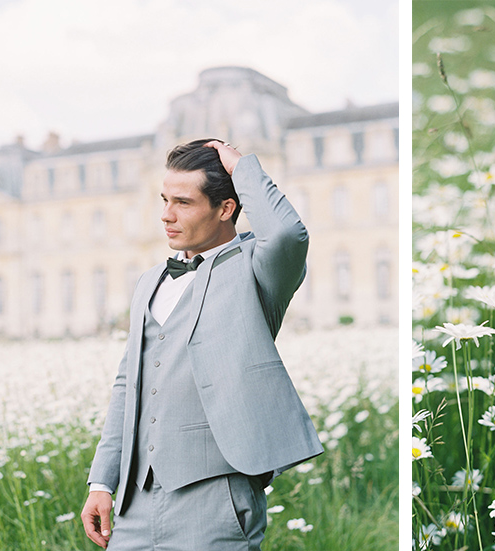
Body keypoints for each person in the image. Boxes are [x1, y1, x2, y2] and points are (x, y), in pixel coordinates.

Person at [81, 139, 323, 550]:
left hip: (216, 501)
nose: (166, 215)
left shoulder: (256, 271)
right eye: (163, 200)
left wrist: (241, 167)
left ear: (226, 208)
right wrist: (102, 480)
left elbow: (286, 234)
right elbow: (128, 386)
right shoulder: (149, 281)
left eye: (183, 202)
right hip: (133, 503)